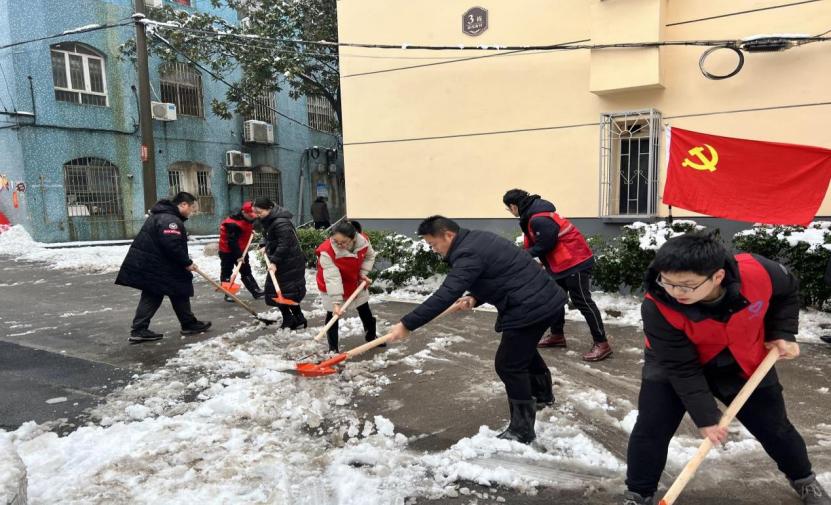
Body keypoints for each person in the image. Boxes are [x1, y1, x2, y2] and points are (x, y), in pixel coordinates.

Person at [623, 232, 830, 505]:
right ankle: (638, 494)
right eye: (668, 282)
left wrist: (783, 331)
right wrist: (706, 416)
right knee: (651, 428)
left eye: (686, 285)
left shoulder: (759, 272)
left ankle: (804, 479)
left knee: (775, 427)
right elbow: (682, 368)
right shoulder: (656, 305)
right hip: (674, 364)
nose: (674, 292)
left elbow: (787, 291)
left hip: (744, 358)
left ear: (717, 276)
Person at [386, 216, 568, 444]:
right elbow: (501, 273)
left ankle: (522, 430)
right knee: (524, 351)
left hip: (530, 307)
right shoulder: (478, 239)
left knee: (509, 364)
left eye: (433, 244)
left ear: (448, 235)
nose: (433, 250)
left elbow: (446, 294)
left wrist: (407, 324)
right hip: (544, 300)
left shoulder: (466, 254)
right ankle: (542, 395)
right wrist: (476, 296)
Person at [503, 189, 612, 362]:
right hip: (560, 263)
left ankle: (602, 343)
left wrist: (523, 255)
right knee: (555, 299)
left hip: (574, 262)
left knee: (582, 301)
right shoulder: (534, 213)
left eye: (509, 210)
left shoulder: (538, 217)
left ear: (513, 206)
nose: (511, 213)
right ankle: (557, 335)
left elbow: (545, 244)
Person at [115, 192, 211, 343]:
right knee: (160, 292)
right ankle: (140, 329)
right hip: (158, 265)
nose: (192, 211)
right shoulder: (170, 220)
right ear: (183, 205)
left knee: (175, 290)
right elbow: (172, 245)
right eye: (192, 208)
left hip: (158, 263)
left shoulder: (164, 216)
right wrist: (186, 262)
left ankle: (188, 323)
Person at [316, 220, 378, 352]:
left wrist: (362, 274)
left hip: (354, 281)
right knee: (333, 315)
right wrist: (336, 303)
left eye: (344, 242)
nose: (340, 245)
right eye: (336, 241)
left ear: (353, 237)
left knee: (364, 309)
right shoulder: (327, 251)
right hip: (331, 285)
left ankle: (372, 337)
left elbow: (369, 256)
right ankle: (333, 349)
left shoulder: (363, 242)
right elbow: (333, 278)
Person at [252, 197, 308, 329]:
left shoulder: (281, 222)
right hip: (283, 261)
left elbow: (285, 244)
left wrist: (275, 261)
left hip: (289, 262)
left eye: (259, 212)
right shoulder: (270, 220)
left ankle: (292, 319)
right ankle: (296, 318)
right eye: (256, 212)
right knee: (283, 292)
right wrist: (263, 244)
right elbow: (269, 236)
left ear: (269, 208)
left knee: (284, 292)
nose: (257, 215)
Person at [218, 201, 264, 302]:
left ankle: (256, 291)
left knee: (246, 270)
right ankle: (228, 293)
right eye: (251, 215)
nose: (254, 217)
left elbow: (243, 228)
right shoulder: (233, 224)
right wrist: (239, 256)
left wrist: (248, 232)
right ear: (244, 212)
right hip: (227, 250)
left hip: (241, 249)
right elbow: (232, 242)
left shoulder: (246, 218)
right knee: (227, 271)